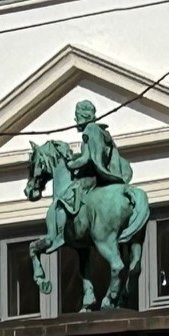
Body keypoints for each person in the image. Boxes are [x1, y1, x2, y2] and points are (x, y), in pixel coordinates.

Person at [41, 100, 133, 253]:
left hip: (92, 178)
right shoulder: (101, 132)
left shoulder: (90, 131)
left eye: (77, 116)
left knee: (64, 199)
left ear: (83, 116)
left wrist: (71, 164)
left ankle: (59, 235)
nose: (75, 121)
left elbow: (88, 158)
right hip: (96, 177)